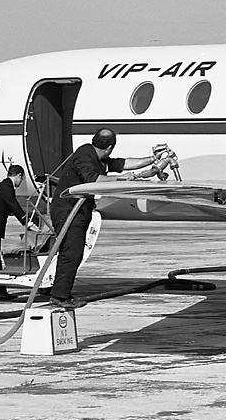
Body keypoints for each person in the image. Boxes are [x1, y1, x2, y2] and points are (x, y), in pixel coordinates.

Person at [45, 128, 165, 307]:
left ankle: (61, 293)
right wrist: (123, 179)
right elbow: (94, 179)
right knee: (71, 252)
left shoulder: (97, 157)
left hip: (78, 210)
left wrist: (152, 159)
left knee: (74, 252)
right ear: (110, 147)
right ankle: (60, 296)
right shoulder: (84, 156)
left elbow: (124, 163)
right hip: (68, 210)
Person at [0, 164, 35, 300]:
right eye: (22, 179)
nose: (21, 183)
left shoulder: (4, 185)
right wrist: (28, 223)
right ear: (19, 176)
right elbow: (13, 205)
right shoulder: (7, 187)